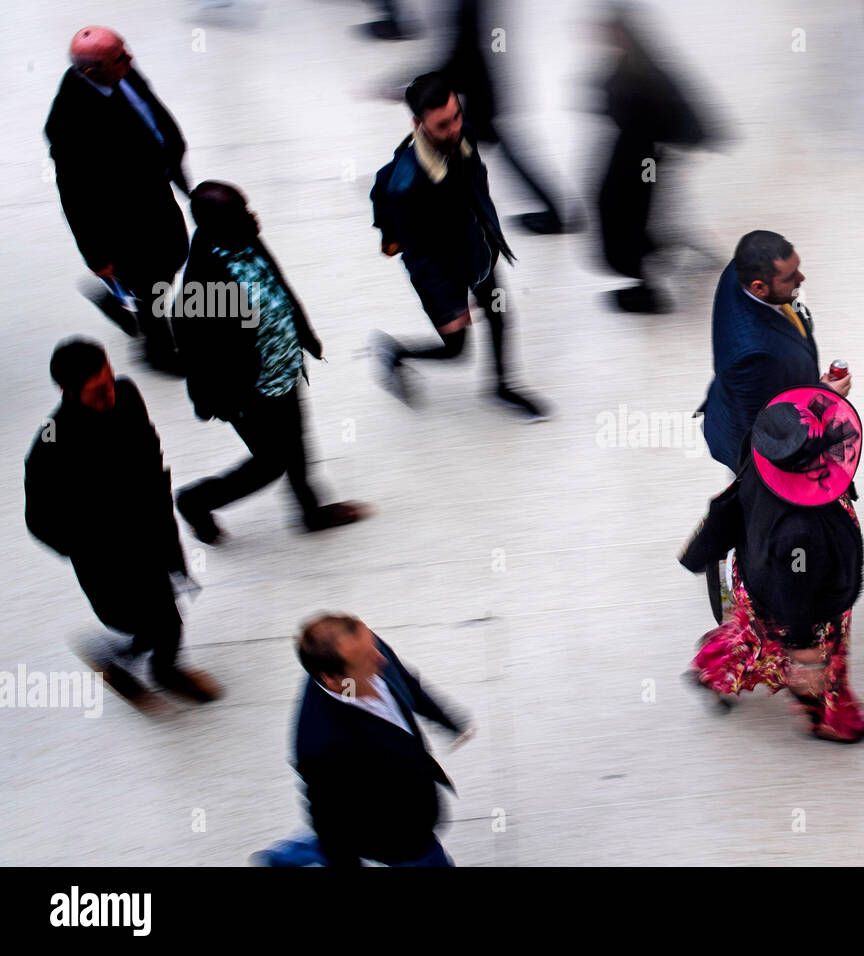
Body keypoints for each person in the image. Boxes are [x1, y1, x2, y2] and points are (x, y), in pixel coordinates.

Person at [171, 182, 370, 543]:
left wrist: (303, 334)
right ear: (213, 224)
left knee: (297, 443)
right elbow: (197, 354)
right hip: (248, 391)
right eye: (240, 213)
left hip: (283, 368)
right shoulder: (202, 287)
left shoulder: (244, 239)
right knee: (271, 462)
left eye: (247, 208)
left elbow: (278, 283)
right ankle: (195, 501)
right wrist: (222, 402)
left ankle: (310, 511)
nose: (252, 216)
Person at [24, 338, 218, 703]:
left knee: (165, 615)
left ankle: (145, 665)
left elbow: (150, 448)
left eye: (109, 379)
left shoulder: (125, 393)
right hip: (108, 560)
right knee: (153, 620)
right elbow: (39, 521)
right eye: (98, 390)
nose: (109, 393)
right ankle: (141, 664)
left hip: (151, 534)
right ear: (68, 390)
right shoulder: (50, 447)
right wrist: (92, 544)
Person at [681, 386, 864, 743]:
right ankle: (828, 716)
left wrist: (814, 409)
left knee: (752, 638)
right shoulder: (800, 532)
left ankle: (711, 668)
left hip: (756, 573)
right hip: (797, 605)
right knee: (821, 662)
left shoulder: (762, 445)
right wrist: (805, 652)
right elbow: (795, 592)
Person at [370, 71, 548, 420]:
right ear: (418, 124)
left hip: (476, 253)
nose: (454, 128)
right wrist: (451, 302)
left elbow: (474, 191)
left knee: (499, 317)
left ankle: (502, 385)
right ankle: (395, 352)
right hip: (440, 271)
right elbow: (420, 255)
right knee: (457, 350)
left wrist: (489, 242)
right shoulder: (408, 186)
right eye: (442, 125)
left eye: (456, 116)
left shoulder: (463, 137)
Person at [254, 614, 473, 866]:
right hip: (395, 835)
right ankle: (307, 852)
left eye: (374, 645)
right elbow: (329, 817)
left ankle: (300, 851)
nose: (381, 658)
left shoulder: (364, 650)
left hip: (386, 801)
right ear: (332, 680)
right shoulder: (322, 745)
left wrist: (444, 719)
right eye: (367, 658)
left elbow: (405, 681)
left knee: (339, 815)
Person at [44, 27, 190, 371]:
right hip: (124, 219)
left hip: (156, 192)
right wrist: (95, 255)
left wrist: (177, 170)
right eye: (120, 57)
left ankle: (117, 298)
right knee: (152, 281)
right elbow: (73, 193)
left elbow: (151, 113)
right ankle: (157, 350)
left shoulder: (119, 68)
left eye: (125, 51)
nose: (130, 59)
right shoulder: (68, 120)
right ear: (93, 72)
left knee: (171, 258)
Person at [700, 231, 852, 475]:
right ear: (759, 287)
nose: (801, 278)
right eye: (791, 277)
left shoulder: (739, 271)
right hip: (761, 454)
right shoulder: (754, 356)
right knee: (759, 505)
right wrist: (824, 396)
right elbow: (767, 429)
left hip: (740, 403)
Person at [594, 5, 714, 313]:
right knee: (633, 217)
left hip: (640, 159)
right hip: (637, 155)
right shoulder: (636, 61)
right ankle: (655, 268)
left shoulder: (641, 68)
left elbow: (656, 109)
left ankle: (650, 293)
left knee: (629, 217)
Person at [439, 0, 572, 235]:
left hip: (480, 92)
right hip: (482, 89)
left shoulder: (465, 8)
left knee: (471, 148)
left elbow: (463, 53)